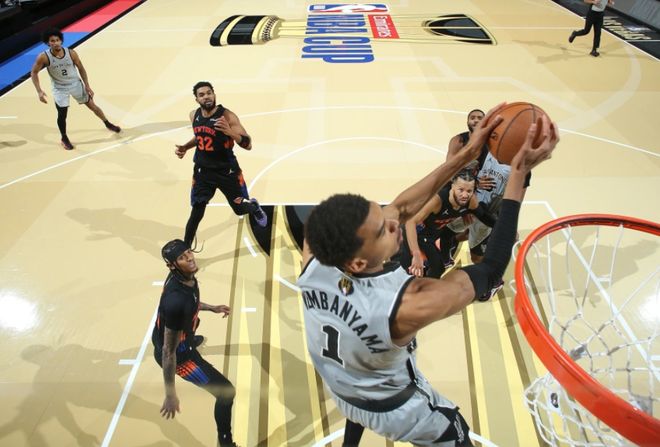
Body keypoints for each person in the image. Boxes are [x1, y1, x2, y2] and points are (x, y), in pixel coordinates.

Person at [297, 104, 558, 446]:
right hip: (397, 410)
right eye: (384, 230)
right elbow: (491, 268)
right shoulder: (408, 304)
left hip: (342, 387)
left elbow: (402, 207)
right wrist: (519, 176)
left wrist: (467, 154)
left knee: (359, 381)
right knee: (456, 432)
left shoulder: (314, 256)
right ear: (357, 264)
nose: (395, 222)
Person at [152, 239, 239, 447]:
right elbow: (168, 352)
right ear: (172, 265)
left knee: (192, 322)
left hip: (177, 337)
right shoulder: (176, 301)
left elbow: (192, 302)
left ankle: (189, 339)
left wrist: (212, 308)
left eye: (189, 252)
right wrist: (170, 394)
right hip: (181, 357)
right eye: (182, 257)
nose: (190, 258)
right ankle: (226, 443)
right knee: (226, 393)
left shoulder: (184, 278)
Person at [175, 81, 267, 246]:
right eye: (202, 95)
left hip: (227, 172)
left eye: (209, 93)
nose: (206, 97)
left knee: (239, 210)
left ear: (214, 94)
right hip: (203, 171)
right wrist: (185, 147)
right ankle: (185, 247)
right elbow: (200, 136)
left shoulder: (227, 116)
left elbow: (248, 144)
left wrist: (229, 132)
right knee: (197, 210)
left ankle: (254, 207)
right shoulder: (194, 115)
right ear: (196, 99)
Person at [30, 28, 121, 150]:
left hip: (75, 84)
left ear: (61, 41)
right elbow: (34, 72)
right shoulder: (43, 57)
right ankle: (64, 138)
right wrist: (39, 91)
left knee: (93, 106)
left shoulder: (71, 53)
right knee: (62, 114)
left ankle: (107, 123)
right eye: (52, 41)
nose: (56, 43)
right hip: (59, 88)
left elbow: (81, 68)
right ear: (48, 43)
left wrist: (87, 85)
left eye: (57, 40)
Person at [400, 169, 496, 279]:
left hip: (431, 235)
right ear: (452, 186)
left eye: (469, 191)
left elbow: (485, 217)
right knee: (409, 269)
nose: (465, 195)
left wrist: (506, 230)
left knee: (438, 268)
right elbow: (410, 222)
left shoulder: (470, 201)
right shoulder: (437, 201)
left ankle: (426, 285)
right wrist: (416, 254)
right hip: (414, 233)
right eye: (461, 190)